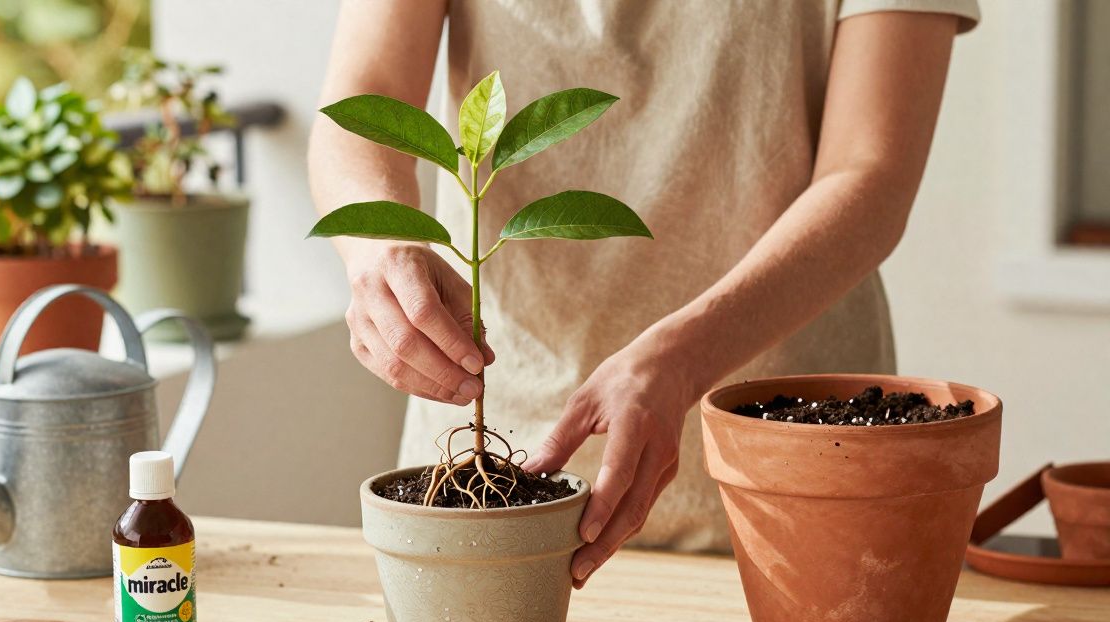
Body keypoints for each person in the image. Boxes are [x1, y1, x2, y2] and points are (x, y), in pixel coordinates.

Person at [309, 0, 979, 588]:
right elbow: (365, 103)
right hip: (495, 461)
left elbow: (870, 174)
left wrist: (684, 358)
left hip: (786, 457)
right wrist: (378, 248)